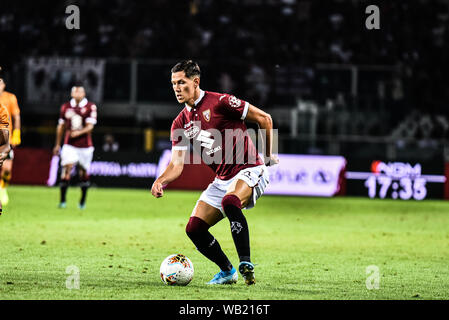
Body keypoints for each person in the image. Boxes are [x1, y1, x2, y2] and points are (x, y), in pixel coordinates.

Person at [151, 60, 278, 285]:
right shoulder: (179, 122)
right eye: (173, 84)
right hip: (222, 179)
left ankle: (246, 262)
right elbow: (176, 165)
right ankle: (227, 272)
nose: (177, 88)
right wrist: (161, 180)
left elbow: (264, 119)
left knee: (231, 201)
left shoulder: (221, 102)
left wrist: (268, 156)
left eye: (181, 82)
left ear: (196, 81)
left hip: (249, 168)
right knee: (195, 228)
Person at [53, 84, 97, 209]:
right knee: (66, 168)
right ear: (72, 94)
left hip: (85, 146)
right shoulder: (66, 107)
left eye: (80, 91)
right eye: (75, 91)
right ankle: (63, 201)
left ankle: (82, 201)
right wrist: (57, 144)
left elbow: (90, 126)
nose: (77, 93)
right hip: (69, 145)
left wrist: (78, 132)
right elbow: (60, 126)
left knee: (83, 173)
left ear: (84, 94)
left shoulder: (90, 107)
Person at [0, 70, 21, 205]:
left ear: (4, 85)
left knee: (7, 169)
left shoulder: (10, 98)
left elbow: (16, 116)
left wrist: (17, 133)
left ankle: (2, 189)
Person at [0, 102, 11, 215]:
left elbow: (5, 144)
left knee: (7, 169)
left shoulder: (2, 109)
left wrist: (3, 153)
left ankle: (3, 189)